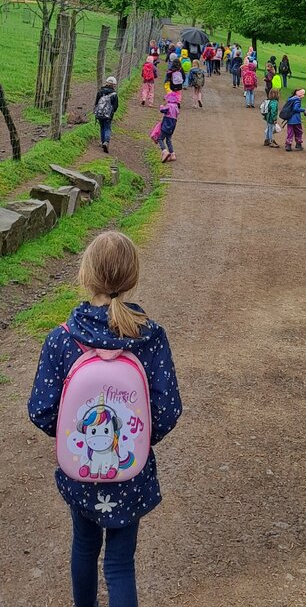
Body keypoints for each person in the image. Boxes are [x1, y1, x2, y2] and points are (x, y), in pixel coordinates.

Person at [27, 231, 182, 607]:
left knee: (84, 546)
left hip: (79, 472)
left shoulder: (62, 339)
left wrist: (73, 439)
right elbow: (167, 408)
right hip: (130, 474)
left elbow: (41, 409)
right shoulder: (149, 337)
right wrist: (136, 440)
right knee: (119, 563)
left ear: (86, 274)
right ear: (132, 277)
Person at [94, 76, 118, 153]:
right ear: (114, 85)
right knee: (107, 128)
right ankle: (106, 142)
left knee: (102, 127)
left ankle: (102, 142)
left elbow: (96, 103)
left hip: (100, 114)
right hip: (108, 115)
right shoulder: (114, 94)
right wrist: (112, 112)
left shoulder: (100, 92)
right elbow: (115, 106)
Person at [158, 96, 179, 162]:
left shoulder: (169, 105)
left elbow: (162, 110)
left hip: (166, 123)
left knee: (160, 138)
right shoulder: (176, 106)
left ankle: (164, 151)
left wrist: (161, 106)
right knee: (168, 140)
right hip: (173, 125)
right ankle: (172, 154)